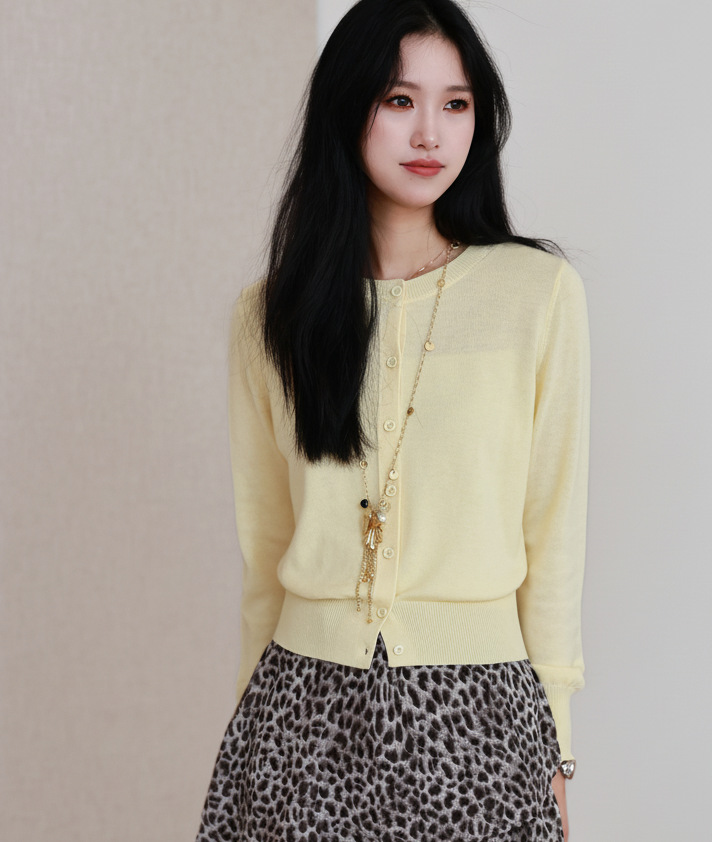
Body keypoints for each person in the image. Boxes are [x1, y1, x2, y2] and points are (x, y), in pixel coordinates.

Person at [195, 0, 590, 839]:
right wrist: (248, 727)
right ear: (348, 106)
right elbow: (265, 550)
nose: (430, 134)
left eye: (457, 104)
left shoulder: (536, 296)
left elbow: (554, 531)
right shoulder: (270, 316)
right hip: (299, 718)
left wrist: (556, 747)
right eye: (400, 100)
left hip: (483, 720)